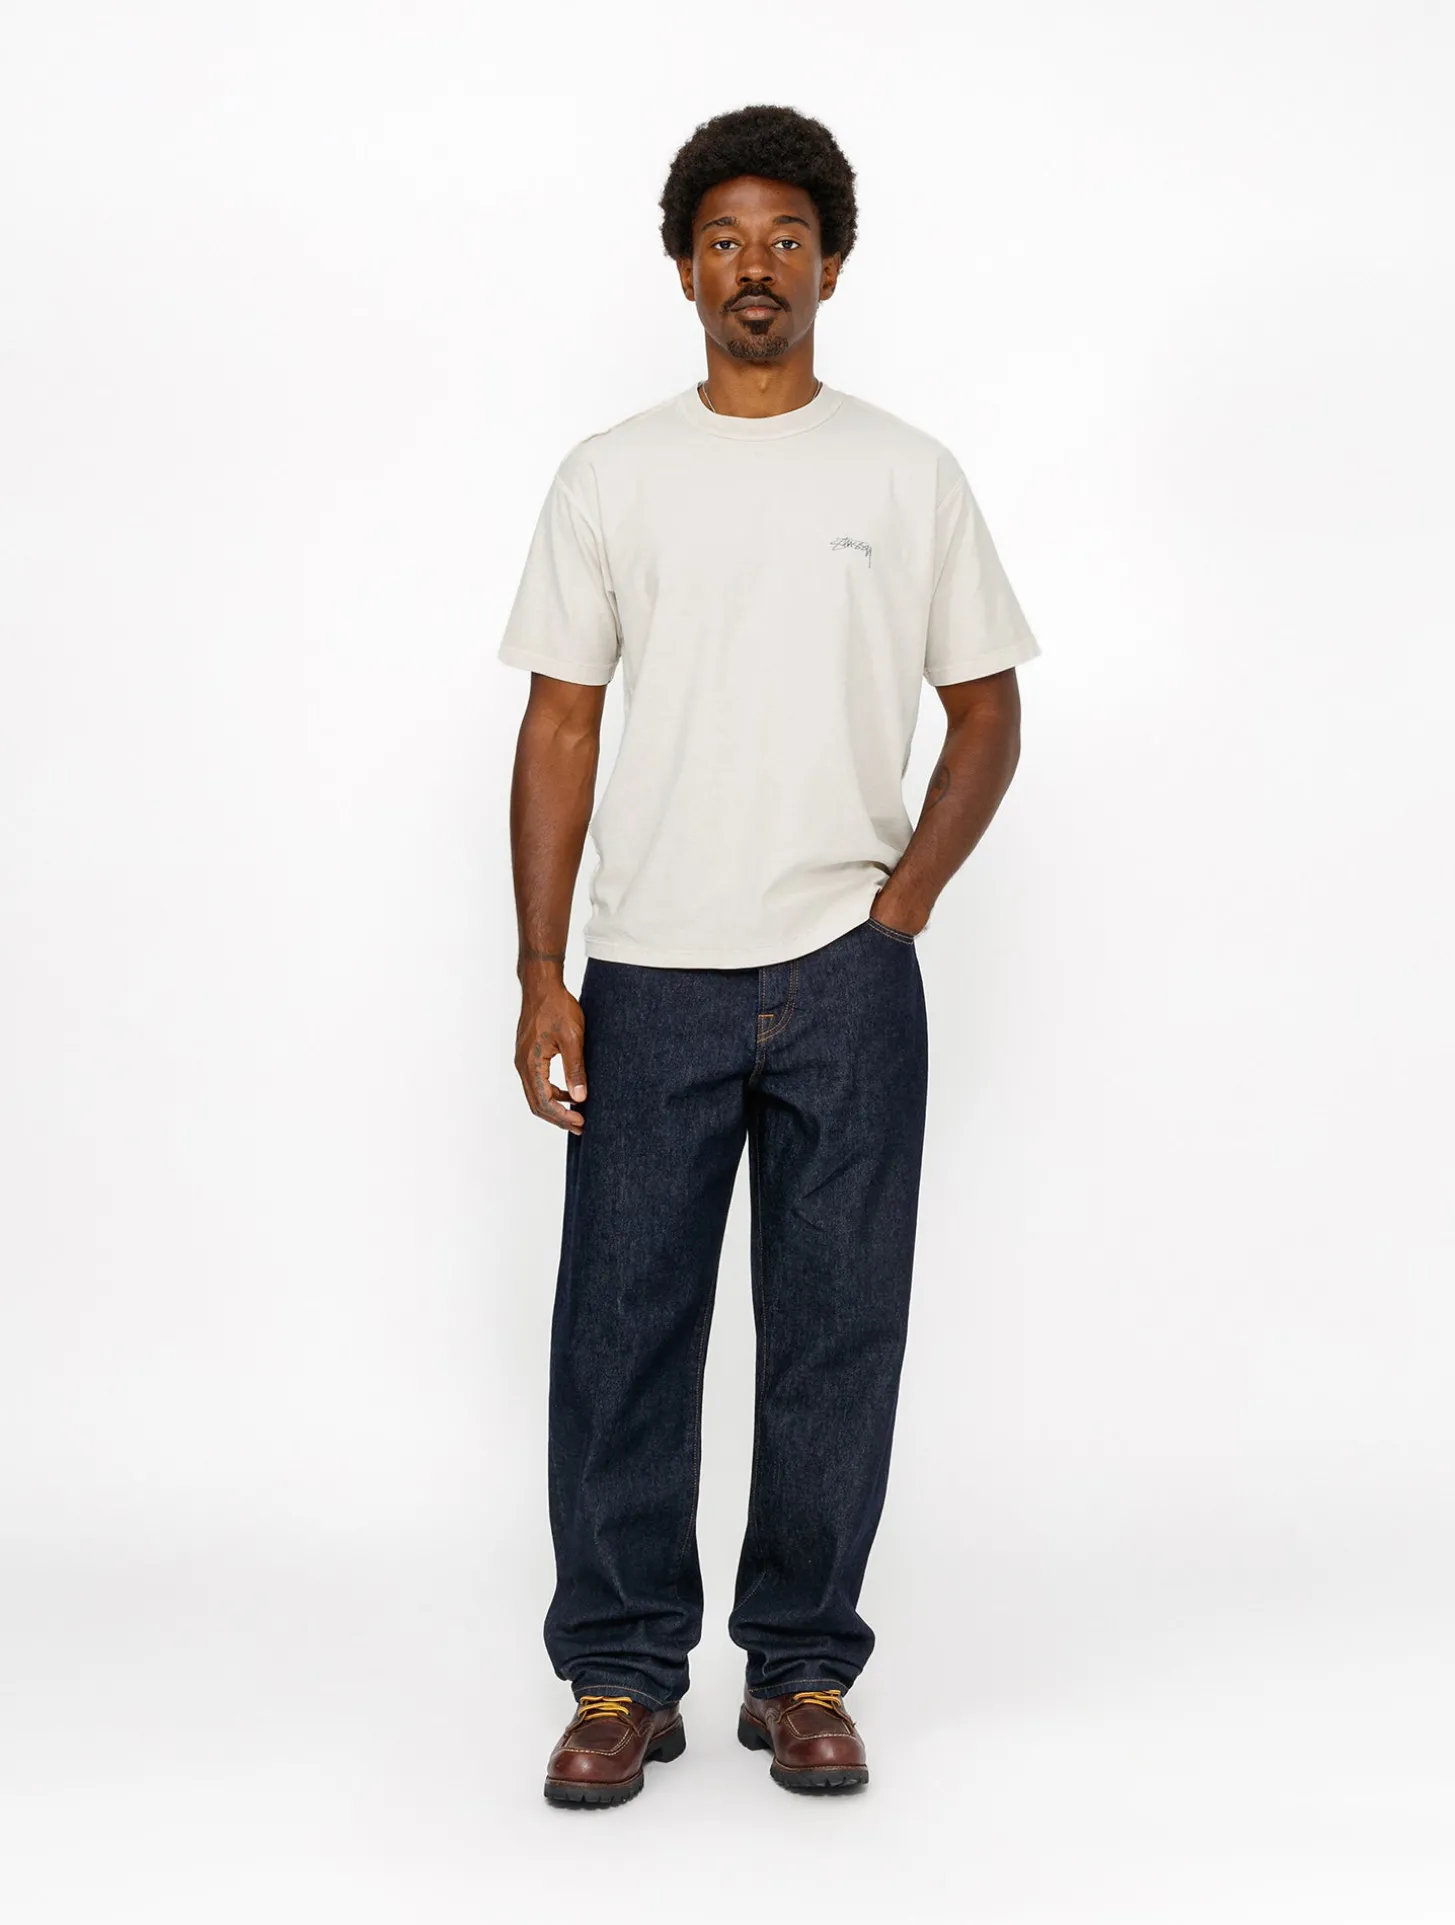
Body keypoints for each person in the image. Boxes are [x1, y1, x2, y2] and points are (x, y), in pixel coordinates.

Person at [497, 104, 1040, 1808]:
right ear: (683, 270)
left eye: (787, 241)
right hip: (651, 972)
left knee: (834, 1337)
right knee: (621, 1335)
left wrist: (907, 903)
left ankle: (802, 1667)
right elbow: (561, 724)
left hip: (847, 976)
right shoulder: (613, 475)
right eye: (726, 240)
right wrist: (540, 969)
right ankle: (620, 1676)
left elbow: (987, 709)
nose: (758, 267)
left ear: (832, 267)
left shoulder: (905, 473)